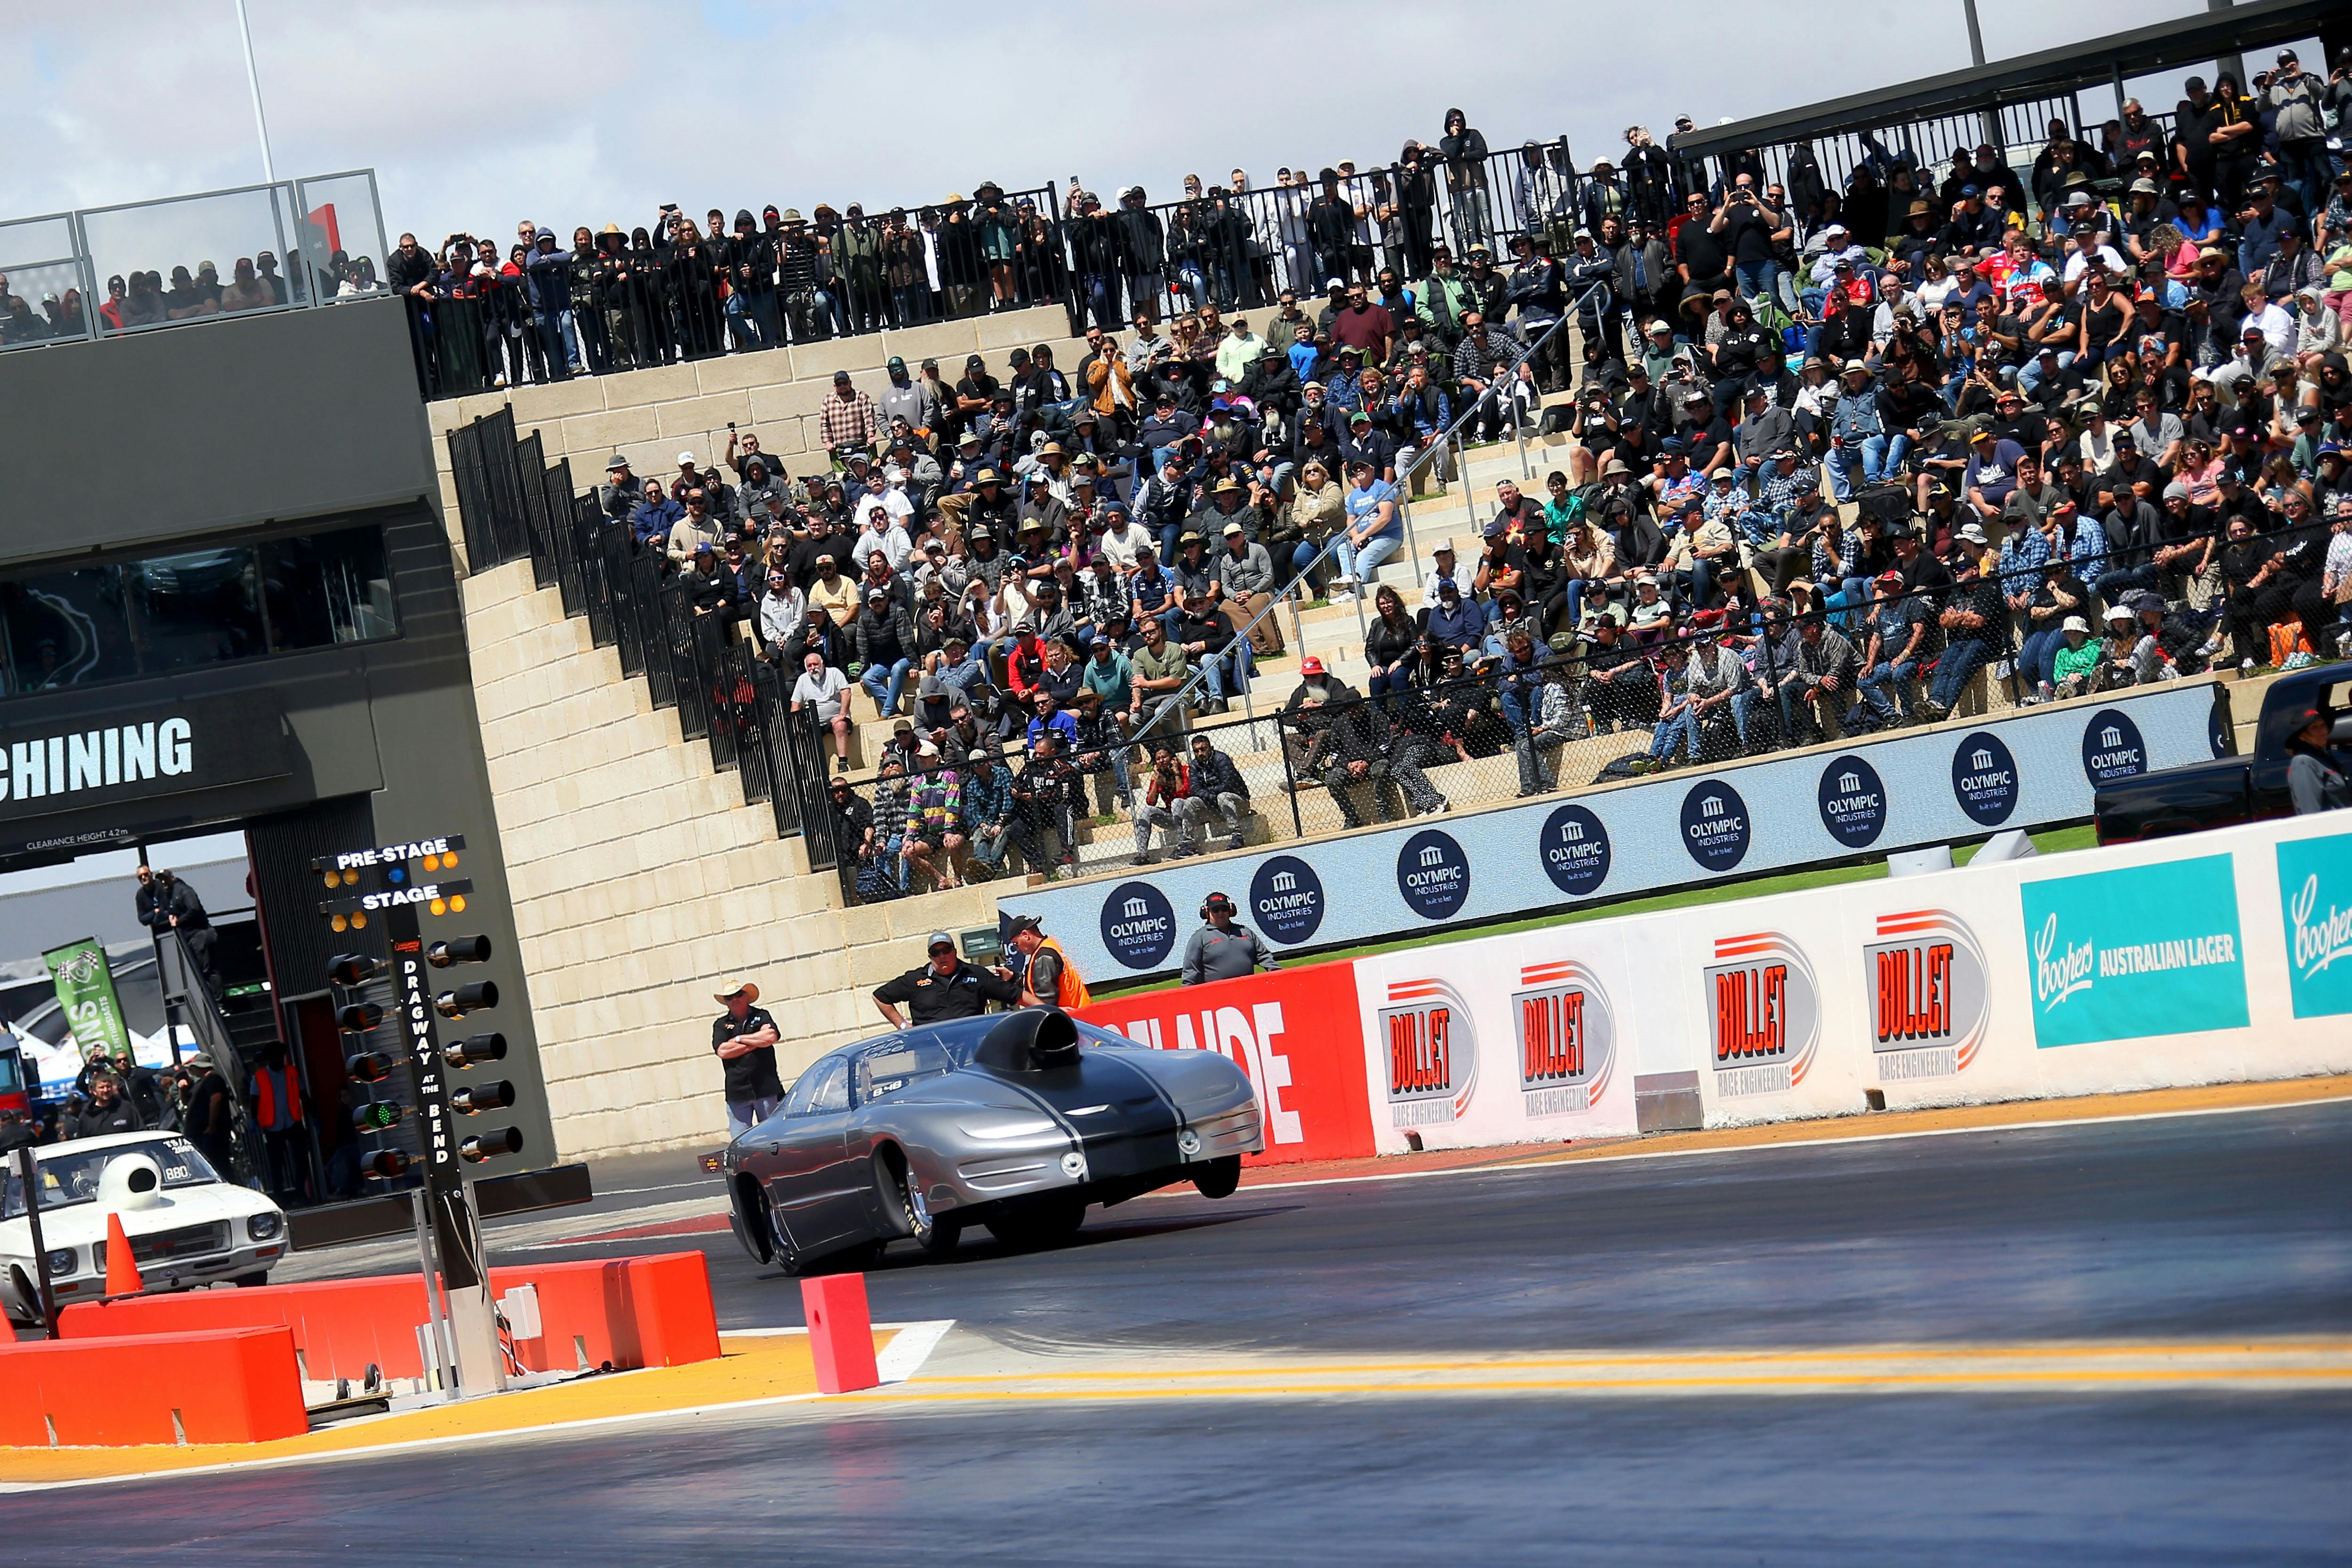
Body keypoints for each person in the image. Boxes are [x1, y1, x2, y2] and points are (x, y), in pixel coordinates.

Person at [872, 931, 1024, 1027]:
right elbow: (880, 997)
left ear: (955, 952)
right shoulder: (915, 979)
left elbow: (1016, 995)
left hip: (972, 1049)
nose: (942, 956)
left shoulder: (976, 974)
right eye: (936, 953)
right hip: (930, 1053)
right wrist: (902, 1025)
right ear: (930, 956)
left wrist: (1039, 1009)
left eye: (946, 950)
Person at [710, 980, 783, 1134]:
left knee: (773, 1136)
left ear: (747, 997)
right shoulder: (721, 1025)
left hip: (766, 1088)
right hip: (737, 1091)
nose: (735, 999)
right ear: (726, 1002)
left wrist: (739, 1039)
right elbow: (723, 1051)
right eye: (730, 997)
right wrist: (758, 1042)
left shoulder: (762, 1016)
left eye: (739, 995)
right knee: (741, 1140)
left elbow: (771, 1036)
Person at [1180, 891, 1281, 986]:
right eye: (1216, 910)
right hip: (1217, 994)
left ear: (1231, 910)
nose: (1221, 913)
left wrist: (1279, 975)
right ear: (1207, 912)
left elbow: (1264, 957)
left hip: (1249, 989)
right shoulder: (1200, 937)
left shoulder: (1245, 932)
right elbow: (1191, 972)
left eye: (1224, 909)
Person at [1005, 913, 1089, 1008]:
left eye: (1016, 944)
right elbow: (1035, 987)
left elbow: (1046, 1004)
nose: (1017, 949)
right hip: (1079, 1011)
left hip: (1071, 1016)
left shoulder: (1043, 958)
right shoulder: (1049, 946)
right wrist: (1013, 977)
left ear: (1026, 935)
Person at [2286, 706, 2349, 814]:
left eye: (2323, 725)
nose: (2323, 731)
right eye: (2314, 727)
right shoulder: (2303, 763)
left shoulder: (2325, 758)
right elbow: (2312, 813)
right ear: (2302, 736)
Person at [65, 1073, 144, 1140]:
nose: (106, 1090)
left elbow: (141, 1132)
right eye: (102, 1088)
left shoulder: (126, 1108)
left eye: (108, 1087)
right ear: (94, 1091)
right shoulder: (86, 1116)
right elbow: (82, 1143)